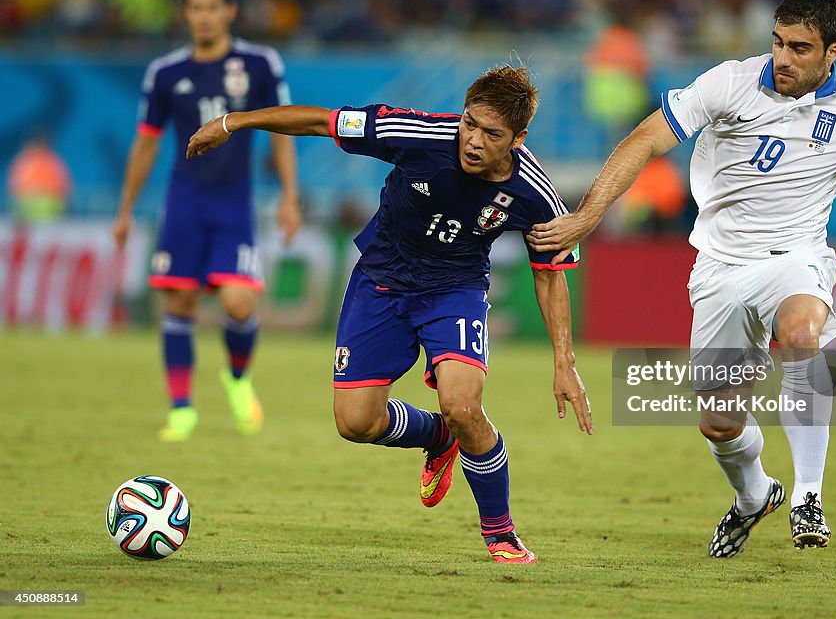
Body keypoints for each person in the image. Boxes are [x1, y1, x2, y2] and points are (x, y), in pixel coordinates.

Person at [528, 0, 836, 557]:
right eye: (779, 43)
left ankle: (809, 496)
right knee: (719, 422)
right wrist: (588, 216)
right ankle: (754, 495)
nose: (783, 59)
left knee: (803, 334)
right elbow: (644, 140)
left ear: (833, 52)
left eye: (801, 48)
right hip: (718, 266)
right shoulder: (728, 83)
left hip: (796, 260)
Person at [185, 65, 593, 564]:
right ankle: (436, 436)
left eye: (492, 134)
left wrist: (564, 360)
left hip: (454, 291)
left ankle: (500, 531)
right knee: (356, 423)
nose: (473, 141)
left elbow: (550, 273)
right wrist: (232, 123)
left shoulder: (536, 195)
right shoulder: (414, 132)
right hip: (381, 281)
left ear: (518, 138)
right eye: (469, 123)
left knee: (463, 406)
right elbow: (321, 122)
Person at [112, 0, 302, 442]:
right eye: (195, 8)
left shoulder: (259, 63)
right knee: (179, 302)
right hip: (184, 204)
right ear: (185, 13)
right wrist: (125, 209)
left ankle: (237, 378)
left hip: (234, 205)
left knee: (239, 303)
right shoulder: (166, 72)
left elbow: (283, 130)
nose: (203, 17)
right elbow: (146, 143)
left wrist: (289, 199)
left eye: (212, 7)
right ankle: (181, 409)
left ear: (230, 11)